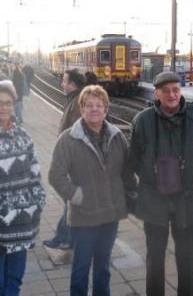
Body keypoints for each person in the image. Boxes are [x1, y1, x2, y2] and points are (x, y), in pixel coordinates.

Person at [128, 71, 193, 296]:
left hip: (188, 203)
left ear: (180, 91)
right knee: (155, 258)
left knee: (187, 260)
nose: (172, 94)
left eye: (175, 89)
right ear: (156, 93)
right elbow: (133, 160)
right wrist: (150, 180)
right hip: (154, 203)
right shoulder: (142, 121)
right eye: (165, 90)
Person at [48, 85, 135, 296]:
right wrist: (77, 196)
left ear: (106, 109)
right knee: (81, 266)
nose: (94, 109)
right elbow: (55, 175)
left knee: (103, 267)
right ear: (82, 109)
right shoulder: (68, 139)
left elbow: (126, 172)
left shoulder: (117, 137)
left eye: (99, 105)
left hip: (110, 214)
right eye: (89, 105)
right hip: (84, 215)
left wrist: (132, 194)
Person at [0, 84, 46, 295]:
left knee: (14, 280)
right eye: (0, 103)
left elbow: (35, 173)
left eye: (8, 103)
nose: (4, 107)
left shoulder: (23, 136)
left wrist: (38, 203)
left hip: (21, 223)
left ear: (13, 105)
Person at [43, 68, 87, 249]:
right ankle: (65, 236)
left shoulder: (78, 102)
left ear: (73, 85)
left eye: (65, 81)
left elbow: (77, 134)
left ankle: (67, 237)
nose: (62, 84)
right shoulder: (75, 99)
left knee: (70, 201)